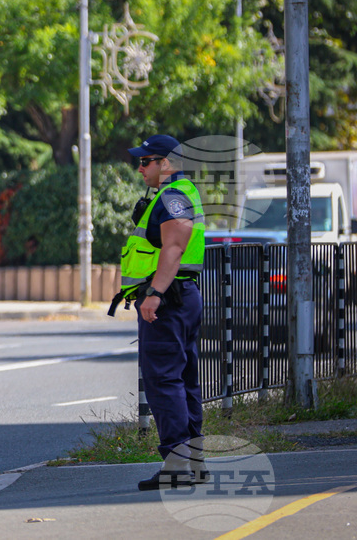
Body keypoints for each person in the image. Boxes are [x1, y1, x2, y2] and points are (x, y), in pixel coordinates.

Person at [118, 135, 208, 491]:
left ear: (165, 163)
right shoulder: (176, 193)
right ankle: (193, 462)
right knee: (183, 379)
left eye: (146, 161)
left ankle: (177, 464)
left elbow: (173, 247)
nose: (140, 168)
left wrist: (153, 293)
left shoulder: (172, 196)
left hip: (168, 298)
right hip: (181, 295)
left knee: (164, 380)